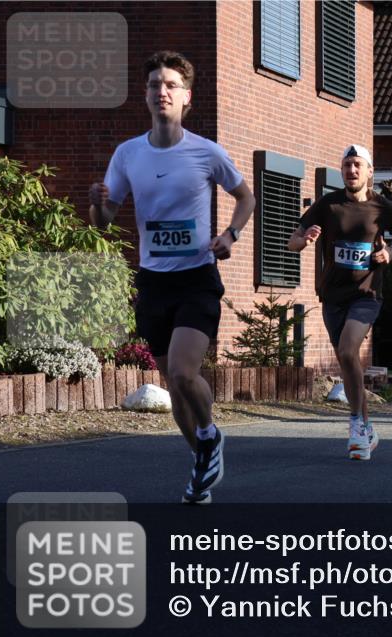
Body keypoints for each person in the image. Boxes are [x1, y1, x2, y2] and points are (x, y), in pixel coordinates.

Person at [89, 51, 256, 504]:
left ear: (186, 98)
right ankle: (202, 460)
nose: (161, 91)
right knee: (172, 386)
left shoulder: (206, 152)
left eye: (170, 85)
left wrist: (230, 235)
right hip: (154, 283)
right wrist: (96, 202)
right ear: (145, 96)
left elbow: (246, 197)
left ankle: (210, 435)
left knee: (184, 373)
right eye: (154, 85)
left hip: (197, 278)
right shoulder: (128, 154)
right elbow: (104, 219)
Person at [288, 145, 392, 458]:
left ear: (369, 171)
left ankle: (355, 425)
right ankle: (367, 426)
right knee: (348, 362)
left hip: (367, 294)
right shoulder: (328, 205)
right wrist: (306, 238)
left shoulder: (383, 206)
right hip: (333, 296)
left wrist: (390, 252)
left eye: (357, 165)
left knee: (347, 350)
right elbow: (293, 242)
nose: (351, 171)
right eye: (346, 165)